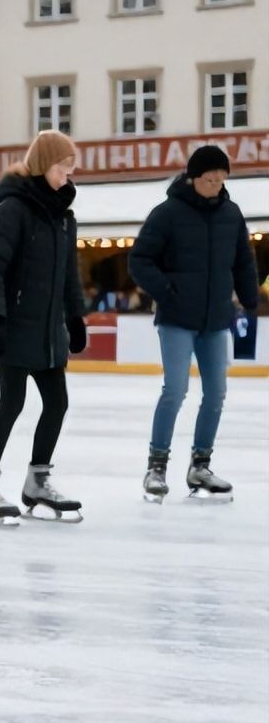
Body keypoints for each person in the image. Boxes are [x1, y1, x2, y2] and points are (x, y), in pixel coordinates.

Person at [0, 130, 86, 526]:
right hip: (14, 326)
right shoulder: (13, 210)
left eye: (71, 168)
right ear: (43, 164)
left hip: (48, 330)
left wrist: (75, 316)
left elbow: (69, 276)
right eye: (63, 167)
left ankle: (37, 480)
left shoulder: (64, 218)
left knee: (57, 403)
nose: (69, 175)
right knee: (12, 403)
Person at [129, 145, 258, 503]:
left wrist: (250, 301)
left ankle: (200, 465)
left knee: (216, 394)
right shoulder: (167, 213)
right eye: (209, 180)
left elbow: (244, 262)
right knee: (175, 390)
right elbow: (139, 260)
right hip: (176, 318)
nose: (216, 186)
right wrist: (167, 290)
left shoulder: (231, 214)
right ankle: (156, 466)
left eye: (221, 180)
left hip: (217, 319)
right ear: (193, 178)